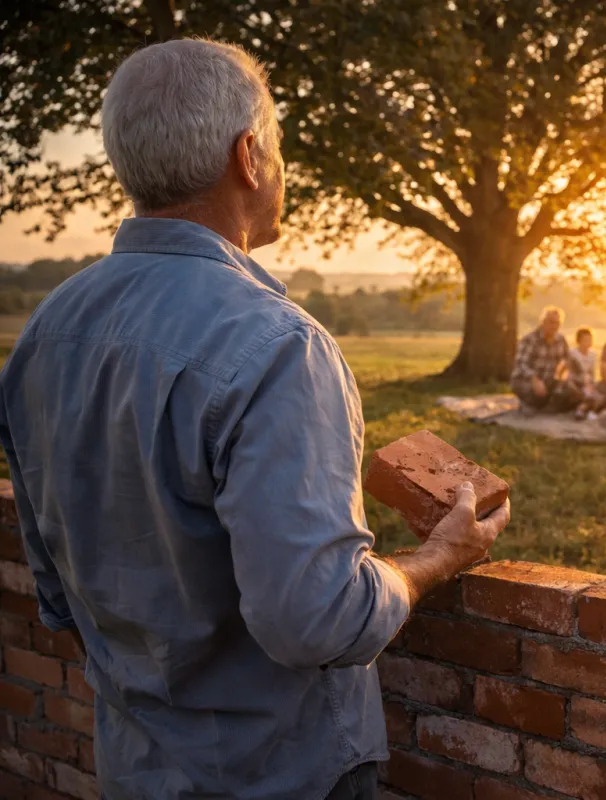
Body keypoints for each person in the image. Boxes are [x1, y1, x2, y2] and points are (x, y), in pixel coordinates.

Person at [0, 40, 510, 800]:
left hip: (136, 769)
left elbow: (55, 593)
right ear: (248, 155)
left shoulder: (46, 331)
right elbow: (316, 620)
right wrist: (437, 558)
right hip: (281, 776)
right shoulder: (279, 345)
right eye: (277, 148)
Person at [511, 306, 575, 412]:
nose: (554, 326)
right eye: (551, 322)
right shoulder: (530, 339)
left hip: (549, 380)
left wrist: (564, 372)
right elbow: (521, 364)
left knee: (572, 393)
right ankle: (529, 403)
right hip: (525, 380)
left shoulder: (561, 339)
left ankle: (547, 405)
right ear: (543, 322)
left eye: (557, 323)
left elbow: (567, 359)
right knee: (535, 394)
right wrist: (535, 380)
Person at [566, 327, 604, 420]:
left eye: (590, 340)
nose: (588, 342)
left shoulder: (593, 355)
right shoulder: (572, 353)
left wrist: (592, 384)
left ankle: (582, 410)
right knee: (583, 394)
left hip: (588, 383)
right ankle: (583, 410)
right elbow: (570, 371)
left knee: (598, 396)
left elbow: (592, 373)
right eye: (586, 340)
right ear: (579, 341)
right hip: (575, 381)